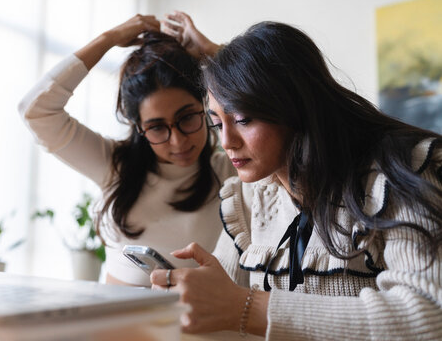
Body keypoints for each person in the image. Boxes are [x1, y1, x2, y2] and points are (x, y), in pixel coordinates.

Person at [151, 21, 442, 339]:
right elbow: (222, 293)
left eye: (243, 119)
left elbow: (427, 316)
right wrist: (195, 293)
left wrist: (246, 307)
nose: (227, 141)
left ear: (293, 107)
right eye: (217, 123)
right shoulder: (251, 195)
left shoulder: (398, 174)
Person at [19, 13, 236, 287]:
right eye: (157, 127)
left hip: (191, 327)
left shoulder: (230, 171)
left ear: (205, 105)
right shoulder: (114, 165)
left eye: (187, 118)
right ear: (139, 128)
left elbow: (287, 111)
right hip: (115, 323)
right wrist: (107, 39)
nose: (178, 141)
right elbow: (35, 111)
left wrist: (212, 53)